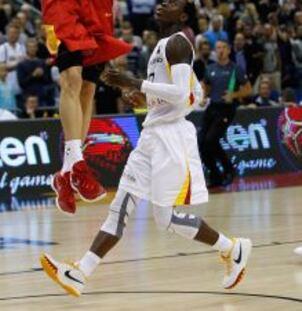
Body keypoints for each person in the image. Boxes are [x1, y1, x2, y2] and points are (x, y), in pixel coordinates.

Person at [40, 0, 252, 297]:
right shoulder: (161, 46)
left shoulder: (179, 44)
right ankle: (80, 272)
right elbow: (182, 93)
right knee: (119, 210)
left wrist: (135, 82)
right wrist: (141, 97)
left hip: (172, 139)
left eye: (173, 2)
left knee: (166, 219)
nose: (163, 3)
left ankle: (232, 248)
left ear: (184, 14)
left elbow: (180, 96)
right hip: (151, 136)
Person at [42, 0, 132, 214]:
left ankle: (66, 173)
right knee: (72, 79)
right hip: (62, 5)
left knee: (88, 89)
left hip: (97, 7)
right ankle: (77, 164)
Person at [201, 40, 252, 187]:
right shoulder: (210, 68)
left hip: (226, 109)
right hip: (212, 107)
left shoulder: (235, 69)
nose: (220, 50)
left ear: (229, 50)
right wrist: (203, 96)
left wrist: (234, 95)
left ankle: (229, 170)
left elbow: (248, 89)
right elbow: (205, 84)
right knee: (201, 142)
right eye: (217, 48)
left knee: (211, 140)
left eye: (223, 47)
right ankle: (215, 175)